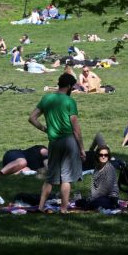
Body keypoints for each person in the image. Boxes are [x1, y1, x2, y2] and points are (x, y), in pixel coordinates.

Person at [28, 73, 85, 214]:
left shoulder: (47, 98)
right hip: (69, 141)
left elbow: (32, 118)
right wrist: (82, 148)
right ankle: (64, 209)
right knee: (67, 178)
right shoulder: (69, 101)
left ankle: (40, 207)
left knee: (51, 177)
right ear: (69, 86)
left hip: (53, 142)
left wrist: (45, 129)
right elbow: (76, 127)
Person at [74, 145, 119, 211]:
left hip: (109, 198)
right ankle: (90, 203)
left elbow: (105, 190)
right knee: (79, 202)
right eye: (101, 155)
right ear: (97, 156)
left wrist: (92, 199)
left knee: (93, 204)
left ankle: (91, 204)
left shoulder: (110, 169)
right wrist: (90, 197)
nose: (103, 157)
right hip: (98, 197)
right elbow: (93, 185)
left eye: (106, 155)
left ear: (108, 156)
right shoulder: (97, 168)